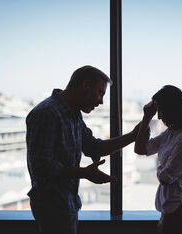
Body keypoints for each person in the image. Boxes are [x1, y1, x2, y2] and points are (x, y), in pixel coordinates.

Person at [26, 65, 139, 234]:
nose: (101, 101)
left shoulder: (72, 113)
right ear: (86, 85)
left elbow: (95, 147)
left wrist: (132, 136)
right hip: (52, 206)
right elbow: (41, 167)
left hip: (65, 203)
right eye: (100, 92)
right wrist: (84, 173)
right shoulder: (47, 113)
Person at [134, 85, 182, 234]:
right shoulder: (173, 131)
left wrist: (159, 169)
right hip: (171, 209)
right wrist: (146, 117)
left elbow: (166, 178)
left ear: (173, 109)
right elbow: (140, 149)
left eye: (161, 111)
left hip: (181, 210)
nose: (158, 116)